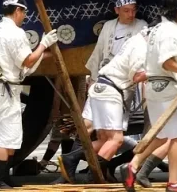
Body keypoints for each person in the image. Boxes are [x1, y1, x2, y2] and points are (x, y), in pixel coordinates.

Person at [123, 0, 177, 192]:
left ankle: (133, 165)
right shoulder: (171, 30)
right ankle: (174, 183)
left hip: (155, 87)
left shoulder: (157, 28)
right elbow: (166, 62)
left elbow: (164, 60)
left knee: (161, 135)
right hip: (167, 88)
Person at [0, 0, 59, 189]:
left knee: (13, 135)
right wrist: (43, 43)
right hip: (6, 89)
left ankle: (4, 176)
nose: (24, 16)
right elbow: (27, 61)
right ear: (17, 11)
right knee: (7, 137)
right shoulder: (15, 32)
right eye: (23, 12)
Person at [61, 22, 148, 182]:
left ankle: (72, 158)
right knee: (116, 139)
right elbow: (137, 76)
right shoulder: (141, 46)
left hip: (102, 87)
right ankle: (92, 176)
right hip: (110, 91)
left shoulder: (134, 40)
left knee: (104, 140)